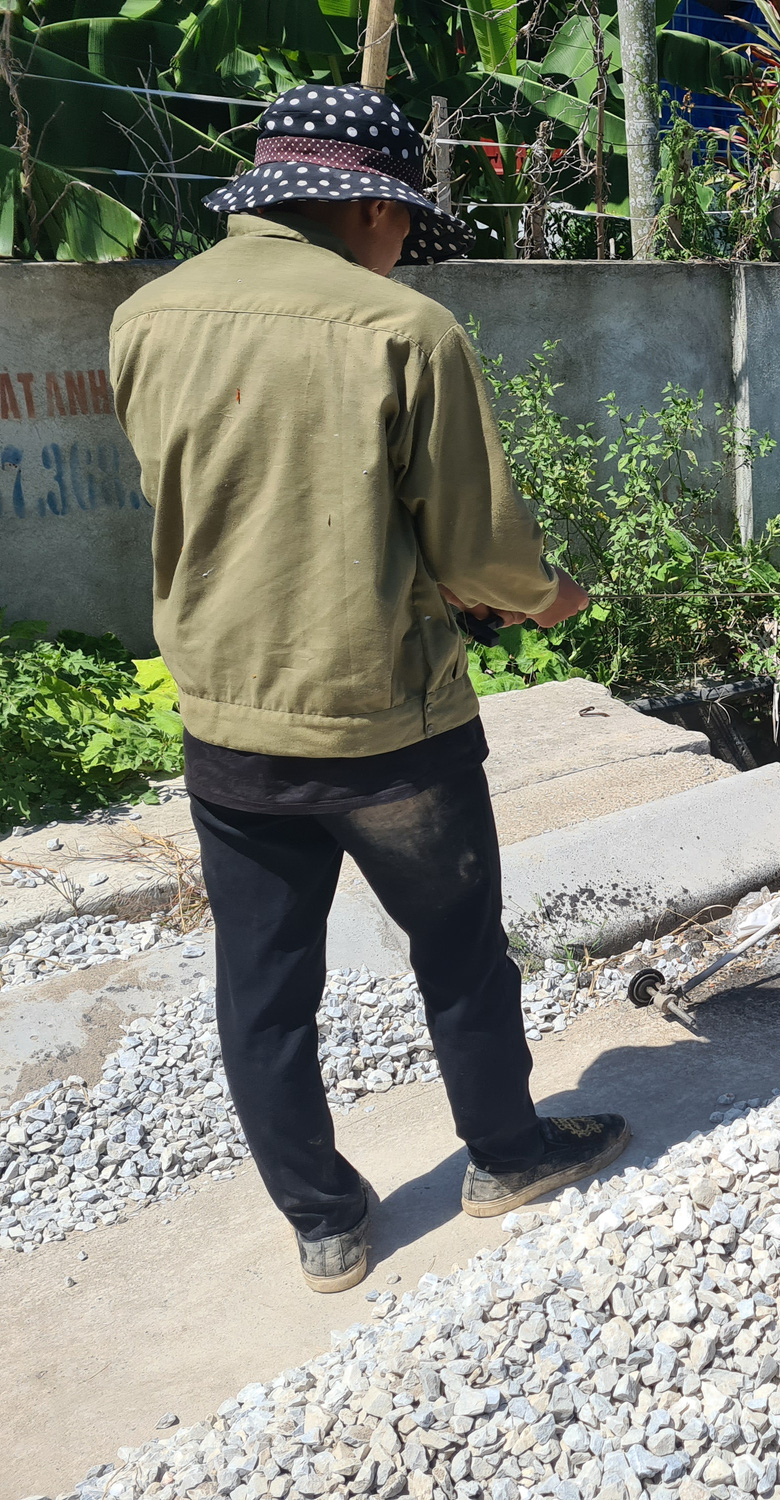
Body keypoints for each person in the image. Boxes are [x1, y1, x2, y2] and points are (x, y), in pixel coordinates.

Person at [108, 85, 630, 1294]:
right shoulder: (405, 331)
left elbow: (202, 499)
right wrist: (551, 598)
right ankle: (504, 1155)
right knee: (456, 951)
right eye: (403, 220)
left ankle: (324, 1225)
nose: (406, 245)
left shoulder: (146, 317)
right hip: (386, 723)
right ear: (356, 204)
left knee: (263, 982)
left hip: (229, 718)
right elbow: (477, 556)